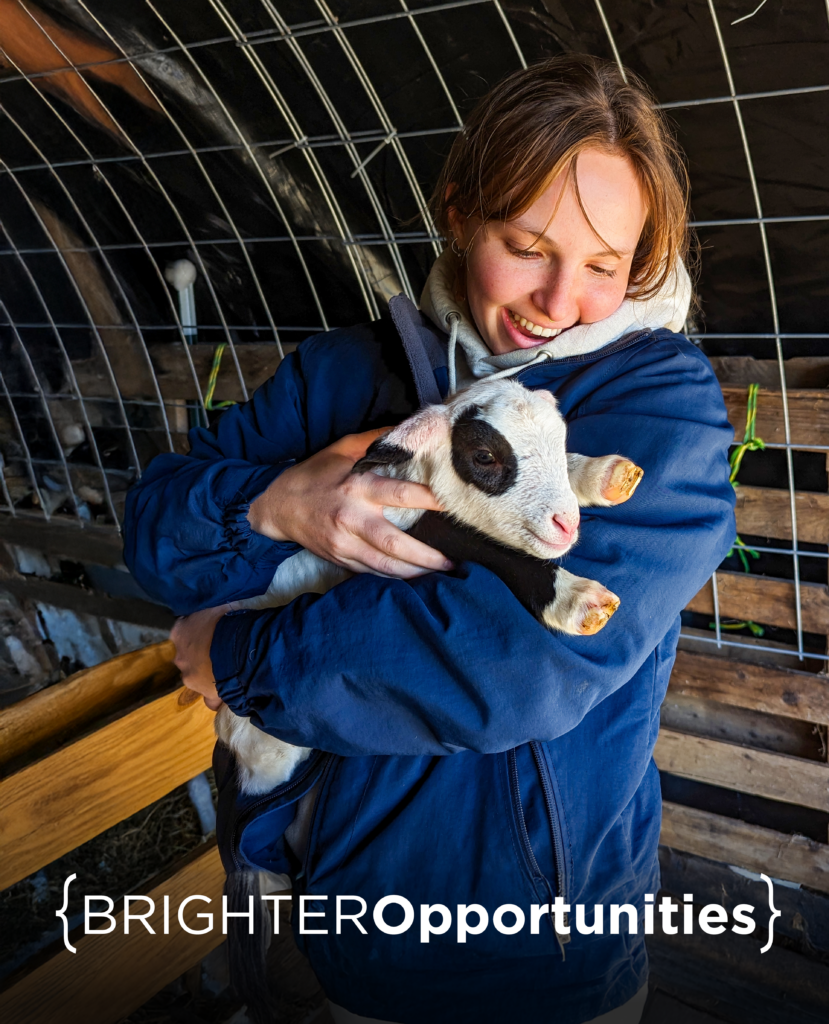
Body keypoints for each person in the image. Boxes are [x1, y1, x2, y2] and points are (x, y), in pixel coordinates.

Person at [124, 55, 735, 1024]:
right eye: (525, 244)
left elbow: (512, 657)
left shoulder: (657, 409)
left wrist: (232, 653)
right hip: (360, 932)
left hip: (546, 955)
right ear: (456, 212)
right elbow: (155, 531)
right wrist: (281, 505)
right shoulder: (347, 376)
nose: (557, 297)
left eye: (603, 267)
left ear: (641, 265)